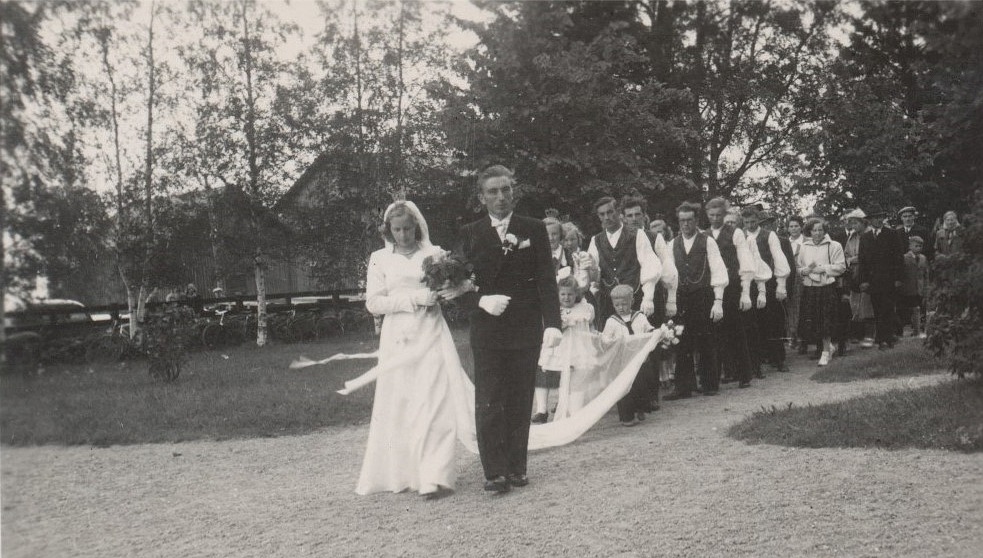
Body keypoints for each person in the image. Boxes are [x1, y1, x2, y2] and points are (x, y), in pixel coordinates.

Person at [442, 165, 561, 494]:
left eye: (505, 190)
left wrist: (553, 323)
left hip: (525, 326)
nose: (500, 197)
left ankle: (517, 466)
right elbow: (452, 285)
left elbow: (546, 280)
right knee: (490, 399)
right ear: (482, 197)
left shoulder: (533, 229)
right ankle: (494, 471)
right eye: (492, 191)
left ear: (514, 192)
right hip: (488, 328)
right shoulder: (469, 232)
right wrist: (480, 301)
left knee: (520, 397)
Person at [355, 200, 477, 499]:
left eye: (408, 229)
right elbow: (374, 303)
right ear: (388, 230)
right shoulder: (379, 258)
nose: (403, 235)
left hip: (431, 329)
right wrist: (414, 298)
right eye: (396, 230)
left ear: (417, 227)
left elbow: (452, 288)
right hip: (398, 335)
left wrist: (450, 290)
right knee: (402, 403)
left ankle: (435, 476)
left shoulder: (434, 255)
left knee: (435, 399)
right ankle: (406, 473)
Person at [664, 202, 728, 398]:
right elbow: (670, 276)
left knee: (706, 340)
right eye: (682, 220)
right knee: (681, 341)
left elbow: (718, 270)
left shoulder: (707, 241)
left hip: (703, 296)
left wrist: (718, 301)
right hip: (681, 298)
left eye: (689, 220)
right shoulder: (672, 244)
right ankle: (684, 386)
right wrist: (671, 301)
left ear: (696, 221)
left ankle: (710, 384)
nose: (685, 224)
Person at [587, 196, 665, 330]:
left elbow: (650, 266)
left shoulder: (637, 235)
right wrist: (590, 270)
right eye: (602, 214)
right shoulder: (596, 240)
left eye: (610, 212)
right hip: (609, 304)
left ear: (618, 212)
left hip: (634, 300)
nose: (606, 217)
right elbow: (593, 277)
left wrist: (648, 298)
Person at [705, 197, 755, 388]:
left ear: (725, 215)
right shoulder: (705, 235)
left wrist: (746, 291)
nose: (715, 218)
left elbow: (746, 262)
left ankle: (744, 375)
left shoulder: (736, 234)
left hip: (733, 287)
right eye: (711, 215)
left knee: (736, 331)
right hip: (713, 289)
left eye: (719, 215)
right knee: (715, 333)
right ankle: (716, 376)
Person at [532, 216, 572, 423]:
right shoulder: (534, 256)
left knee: (566, 357)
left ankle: (563, 401)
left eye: (555, 234)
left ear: (561, 236)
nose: (551, 239)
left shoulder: (571, 257)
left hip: (568, 312)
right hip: (543, 313)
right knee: (544, 358)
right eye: (547, 235)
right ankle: (541, 409)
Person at [742, 206, 791, 373]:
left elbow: (779, 259)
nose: (750, 225)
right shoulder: (741, 236)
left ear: (758, 220)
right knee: (753, 323)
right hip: (749, 285)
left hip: (768, 283)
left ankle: (779, 359)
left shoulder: (769, 236)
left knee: (773, 323)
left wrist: (781, 285)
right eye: (747, 222)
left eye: (753, 221)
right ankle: (757, 362)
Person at [540, 276, 596, 421]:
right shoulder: (555, 310)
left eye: (570, 294)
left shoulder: (584, 308)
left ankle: (575, 412)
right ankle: (556, 409)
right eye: (563, 294)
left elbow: (590, 326)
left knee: (577, 380)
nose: (566, 297)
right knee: (560, 378)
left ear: (576, 294)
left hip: (578, 348)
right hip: (560, 349)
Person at [602, 284, 657, 424]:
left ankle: (640, 408)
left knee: (640, 384)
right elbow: (605, 340)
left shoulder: (639, 317)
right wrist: (613, 341)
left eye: (624, 304)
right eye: (617, 305)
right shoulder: (611, 321)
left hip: (639, 358)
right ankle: (627, 416)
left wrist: (654, 333)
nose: (621, 307)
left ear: (632, 301)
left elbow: (648, 330)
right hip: (622, 361)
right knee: (624, 387)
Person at [796, 218, 846, 366]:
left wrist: (823, 268)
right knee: (814, 321)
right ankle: (827, 347)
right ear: (809, 231)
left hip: (827, 287)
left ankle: (825, 353)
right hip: (810, 288)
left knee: (827, 320)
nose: (817, 233)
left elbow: (841, 267)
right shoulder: (804, 246)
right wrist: (804, 271)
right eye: (814, 230)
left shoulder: (834, 245)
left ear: (824, 231)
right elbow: (799, 267)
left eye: (820, 230)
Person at [858, 204, 905, 350]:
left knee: (887, 309)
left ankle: (886, 339)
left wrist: (898, 278)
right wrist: (863, 280)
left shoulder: (891, 234)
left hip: (889, 279)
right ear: (870, 220)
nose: (878, 220)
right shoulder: (865, 237)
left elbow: (898, 257)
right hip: (873, 281)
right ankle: (882, 337)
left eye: (880, 217)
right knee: (877, 309)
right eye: (875, 218)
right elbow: (862, 260)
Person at [899, 236, 929, 338]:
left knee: (917, 309)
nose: (919, 248)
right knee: (906, 310)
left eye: (920, 246)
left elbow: (925, 275)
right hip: (907, 289)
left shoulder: (923, 258)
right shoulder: (904, 258)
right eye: (916, 246)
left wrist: (926, 288)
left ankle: (917, 331)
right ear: (910, 246)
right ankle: (902, 330)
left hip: (919, 289)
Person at [785, 216, 805, 349]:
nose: (793, 229)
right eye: (791, 226)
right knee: (790, 307)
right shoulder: (784, 242)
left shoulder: (806, 242)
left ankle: (803, 338)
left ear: (801, 227)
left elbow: (814, 260)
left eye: (796, 226)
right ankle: (792, 335)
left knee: (802, 307)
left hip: (804, 278)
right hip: (789, 279)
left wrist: (804, 270)